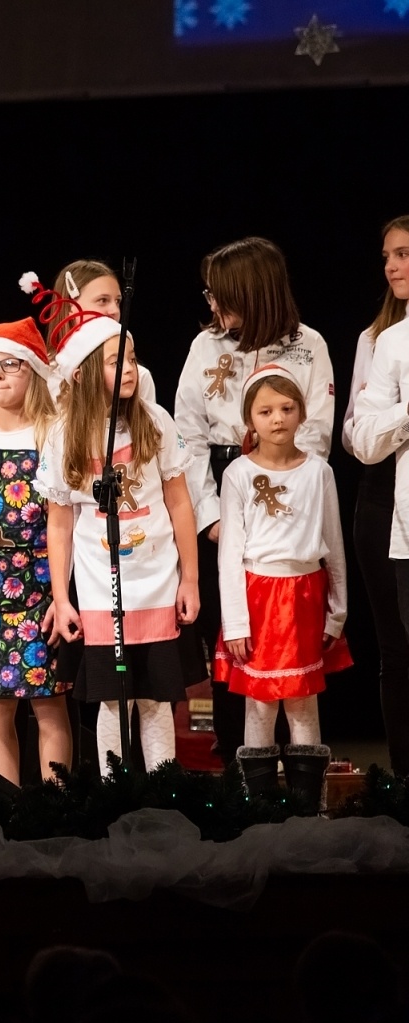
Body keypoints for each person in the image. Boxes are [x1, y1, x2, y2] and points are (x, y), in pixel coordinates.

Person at [174, 237, 335, 768]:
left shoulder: (308, 345)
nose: (211, 303)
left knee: (287, 630)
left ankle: (299, 762)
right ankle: (237, 761)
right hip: (223, 482)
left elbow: (314, 438)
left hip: (285, 494)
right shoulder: (206, 346)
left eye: (218, 293)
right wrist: (212, 515)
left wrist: (282, 515)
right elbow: (187, 436)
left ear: (251, 292)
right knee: (233, 630)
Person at [35, 278, 204, 772]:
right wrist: (62, 596)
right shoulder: (65, 436)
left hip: (157, 584)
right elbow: (60, 523)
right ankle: (115, 791)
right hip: (99, 590)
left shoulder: (156, 421)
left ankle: (163, 788)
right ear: (85, 373)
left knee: (154, 699)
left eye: (132, 358)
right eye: (115, 361)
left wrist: (190, 579)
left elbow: (180, 504)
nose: (129, 369)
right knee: (113, 700)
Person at [214, 365, 349, 804]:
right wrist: (236, 622)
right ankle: (259, 808)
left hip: (305, 595)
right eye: (266, 410)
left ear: (302, 413)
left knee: (303, 700)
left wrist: (338, 612)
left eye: (287, 408)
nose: (278, 419)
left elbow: (333, 546)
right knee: (260, 702)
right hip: (258, 597)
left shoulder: (319, 472)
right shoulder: (237, 474)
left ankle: (308, 806)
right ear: (249, 419)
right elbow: (229, 554)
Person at [0, 320, 72, 784]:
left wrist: (61, 596)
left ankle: (57, 808)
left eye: (10, 365)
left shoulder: (52, 436)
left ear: (35, 372)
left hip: (41, 593)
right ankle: (8, 808)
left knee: (50, 706)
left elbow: (64, 524)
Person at [341, 215, 409, 776]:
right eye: (387, 256)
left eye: (403, 254)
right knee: (396, 647)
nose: (392, 266)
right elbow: (357, 433)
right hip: (386, 494)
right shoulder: (382, 340)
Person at [44, 259, 157, 403]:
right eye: (103, 300)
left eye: (117, 301)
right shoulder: (41, 374)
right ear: (69, 306)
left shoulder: (137, 378)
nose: (115, 311)